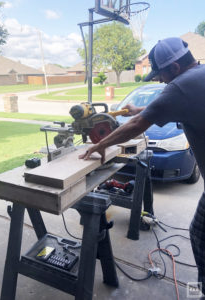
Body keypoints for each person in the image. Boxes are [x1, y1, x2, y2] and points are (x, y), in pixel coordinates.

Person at [79, 37, 205, 296]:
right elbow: (164, 107)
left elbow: (138, 126)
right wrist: (137, 109)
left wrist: (101, 145)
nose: (159, 80)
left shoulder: (180, 86)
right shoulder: (198, 77)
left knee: (200, 235)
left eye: (160, 74)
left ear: (175, 68)